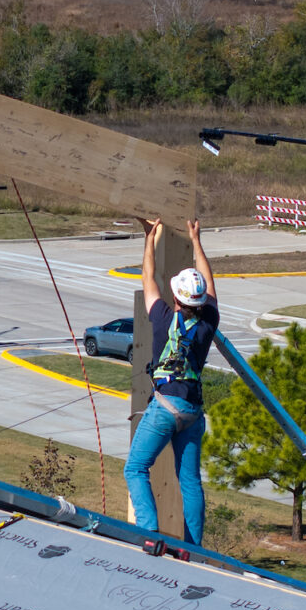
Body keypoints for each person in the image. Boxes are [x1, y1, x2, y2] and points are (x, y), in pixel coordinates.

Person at [123, 218, 218, 546]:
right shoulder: (208, 324)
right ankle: (192, 548)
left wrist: (149, 238)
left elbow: (148, 278)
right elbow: (209, 283)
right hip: (192, 410)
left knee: (136, 468)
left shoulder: (163, 318)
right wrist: (197, 240)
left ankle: (148, 533)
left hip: (165, 406)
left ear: (176, 297)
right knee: (190, 482)